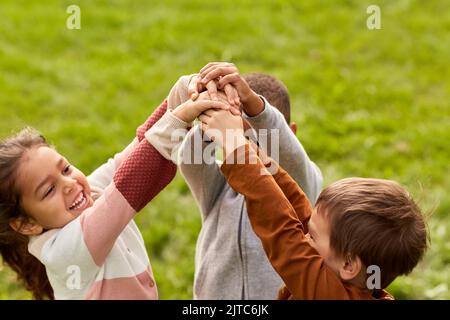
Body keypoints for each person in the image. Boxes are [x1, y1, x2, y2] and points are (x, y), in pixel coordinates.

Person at [0, 96, 230, 299]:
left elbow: (130, 156)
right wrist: (177, 120)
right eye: (49, 190)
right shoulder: (65, 249)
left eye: (66, 169)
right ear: (26, 224)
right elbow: (127, 187)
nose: (69, 185)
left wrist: (183, 93)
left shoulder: (85, 195)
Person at [198, 104, 429, 299]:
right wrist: (254, 151)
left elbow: (282, 231)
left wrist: (235, 146)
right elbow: (302, 214)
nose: (304, 236)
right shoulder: (362, 282)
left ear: (349, 265)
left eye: (312, 237)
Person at [147, 62, 323, 299]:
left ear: (290, 132)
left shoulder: (302, 178)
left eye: (255, 139)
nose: (243, 146)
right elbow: (190, 160)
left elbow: (287, 152)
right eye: (234, 135)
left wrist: (253, 104)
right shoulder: (220, 184)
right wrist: (213, 111)